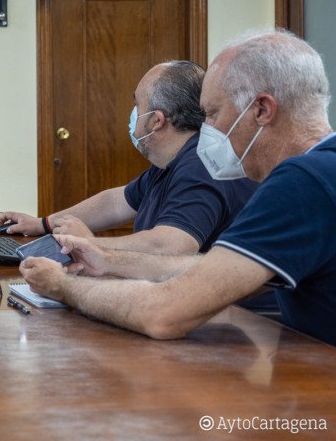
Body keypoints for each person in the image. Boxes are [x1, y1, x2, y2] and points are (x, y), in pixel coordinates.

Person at [21, 30, 335, 345]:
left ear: (262, 110)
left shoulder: (302, 182)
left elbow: (164, 315)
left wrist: (62, 285)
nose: (205, 129)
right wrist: (107, 259)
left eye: (212, 113)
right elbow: (218, 271)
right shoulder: (321, 170)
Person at [0, 61, 258, 255]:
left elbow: (171, 244)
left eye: (137, 104)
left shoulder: (200, 165)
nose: (133, 113)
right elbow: (115, 202)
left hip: (236, 317)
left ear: (156, 120)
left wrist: (90, 244)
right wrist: (43, 223)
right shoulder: (172, 161)